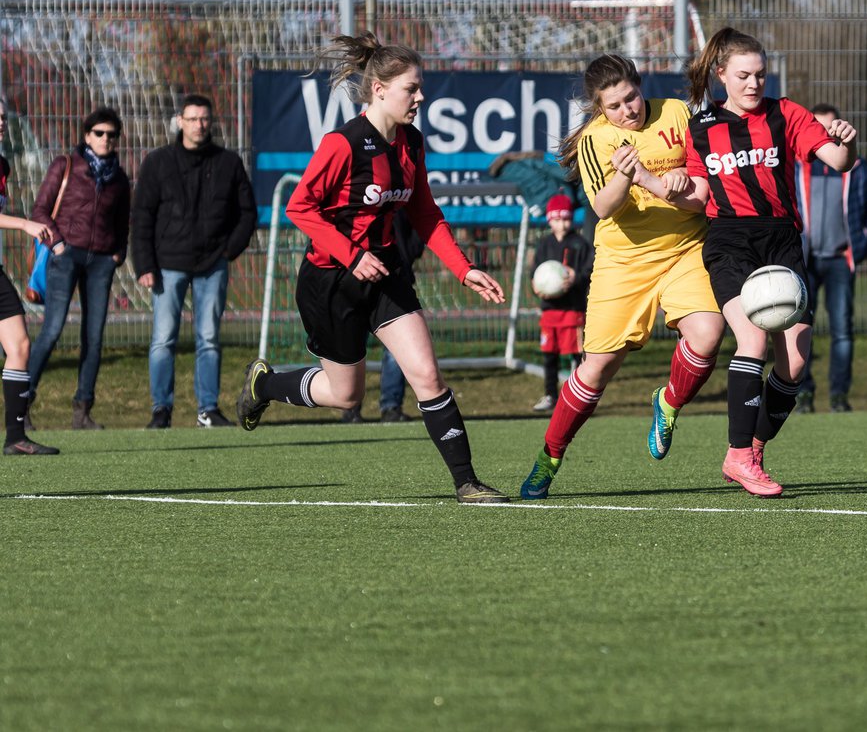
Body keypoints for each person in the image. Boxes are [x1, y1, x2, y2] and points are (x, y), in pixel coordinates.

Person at [235, 31, 509, 505]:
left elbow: (424, 213)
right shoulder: (342, 144)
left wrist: (464, 269)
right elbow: (300, 208)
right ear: (379, 89)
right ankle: (265, 384)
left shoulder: (411, 143)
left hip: (387, 274)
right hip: (331, 282)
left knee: (426, 374)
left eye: (421, 87)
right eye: (412, 89)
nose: (421, 97)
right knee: (345, 397)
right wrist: (351, 254)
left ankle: (467, 482)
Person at [518, 54, 723, 500]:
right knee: (596, 371)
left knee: (707, 334)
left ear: (639, 85)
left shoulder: (676, 112)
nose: (627, 110)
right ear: (600, 109)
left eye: (631, 97)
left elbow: (700, 176)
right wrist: (629, 177)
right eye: (614, 106)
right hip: (624, 263)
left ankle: (667, 403)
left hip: (685, 248)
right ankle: (549, 458)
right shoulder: (597, 140)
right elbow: (604, 208)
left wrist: (679, 176)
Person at [684, 28, 858, 497]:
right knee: (753, 337)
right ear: (721, 75)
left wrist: (847, 141)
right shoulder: (700, 127)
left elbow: (838, 162)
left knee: (796, 362)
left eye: (761, 74)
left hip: (781, 242)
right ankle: (741, 456)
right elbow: (699, 194)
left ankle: (750, 450)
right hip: (729, 242)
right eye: (743, 75)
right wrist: (665, 188)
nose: (754, 83)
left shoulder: (786, 113)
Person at [132, 93, 256, 429]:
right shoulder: (158, 163)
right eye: (192, 119)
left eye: (204, 119)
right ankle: (161, 410)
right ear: (180, 122)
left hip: (213, 263)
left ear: (210, 122)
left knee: (209, 338)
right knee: (163, 339)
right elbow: (141, 216)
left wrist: (230, 250)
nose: (199, 125)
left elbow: (247, 213)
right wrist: (143, 264)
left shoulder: (229, 163)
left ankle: (208, 410)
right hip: (167, 263)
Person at [26, 106, 131, 431]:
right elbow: (41, 209)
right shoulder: (66, 164)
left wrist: (118, 253)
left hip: (101, 261)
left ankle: (82, 410)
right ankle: (22, 404)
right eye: (99, 133)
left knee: (94, 337)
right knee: (52, 329)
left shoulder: (119, 178)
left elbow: (123, 220)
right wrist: (57, 243)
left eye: (111, 135)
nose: (105, 139)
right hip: (65, 255)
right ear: (87, 135)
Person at [794, 103, 867, 414]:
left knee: (842, 330)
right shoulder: (795, 166)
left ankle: (839, 396)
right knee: (800, 329)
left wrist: (860, 245)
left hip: (840, 261)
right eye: (817, 129)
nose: (824, 135)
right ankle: (802, 393)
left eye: (830, 129)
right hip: (802, 261)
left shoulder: (857, 167)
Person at [0, 97, 58, 455]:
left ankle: (15, 438)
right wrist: (24, 223)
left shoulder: (2, 164)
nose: (0, 122)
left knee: (20, 346)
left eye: (3, 116)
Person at [340, 208, 421, 424]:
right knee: (352, 346)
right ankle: (350, 406)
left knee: (397, 350)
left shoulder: (401, 194)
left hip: (395, 279)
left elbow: (420, 225)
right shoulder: (358, 198)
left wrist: (405, 255)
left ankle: (391, 406)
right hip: (354, 280)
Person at [529, 193, 593, 413]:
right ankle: (550, 395)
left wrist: (576, 277)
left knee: (576, 355)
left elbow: (589, 270)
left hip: (573, 309)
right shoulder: (544, 244)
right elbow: (535, 272)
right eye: (556, 219)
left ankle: (578, 396)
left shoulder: (580, 244)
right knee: (550, 355)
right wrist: (536, 286)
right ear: (549, 220)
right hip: (549, 311)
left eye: (565, 219)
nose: (561, 224)